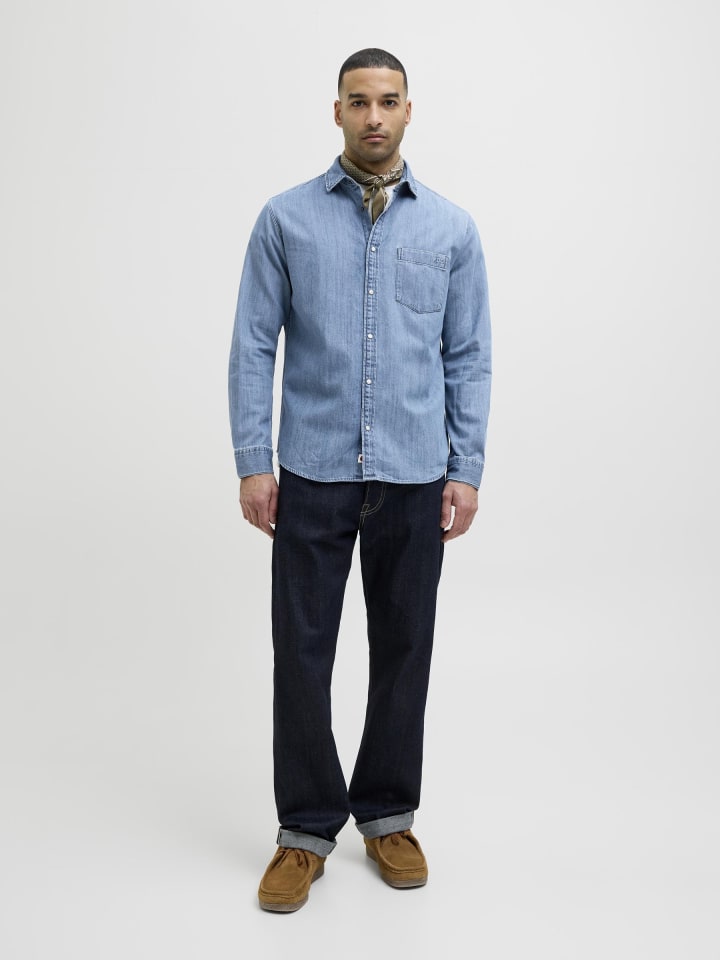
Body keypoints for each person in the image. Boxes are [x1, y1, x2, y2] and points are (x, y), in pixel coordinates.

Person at [228, 47, 491, 912]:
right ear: (336, 111)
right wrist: (253, 460)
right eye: (358, 101)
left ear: (408, 110)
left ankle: (387, 816)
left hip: (416, 473)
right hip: (312, 471)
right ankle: (305, 830)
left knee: (405, 648)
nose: (373, 116)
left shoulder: (450, 229)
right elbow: (254, 344)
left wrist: (466, 467)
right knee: (301, 653)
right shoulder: (286, 219)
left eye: (388, 101)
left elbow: (468, 355)